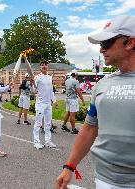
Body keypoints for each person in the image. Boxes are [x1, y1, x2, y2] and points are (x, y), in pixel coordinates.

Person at [56, 15, 135, 189]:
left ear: (130, 43)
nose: (101, 49)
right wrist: (69, 166)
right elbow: (90, 127)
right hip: (105, 179)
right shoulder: (102, 84)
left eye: (106, 43)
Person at [33, 61, 57, 149]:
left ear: (48, 66)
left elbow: (51, 91)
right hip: (40, 104)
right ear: (40, 67)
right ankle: (36, 142)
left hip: (48, 104)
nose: (44, 66)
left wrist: (54, 101)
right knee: (38, 123)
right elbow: (34, 90)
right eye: (42, 65)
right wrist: (33, 84)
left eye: (45, 65)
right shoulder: (37, 77)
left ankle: (48, 141)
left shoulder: (49, 77)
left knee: (47, 124)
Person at [61, 70, 85, 134]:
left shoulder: (67, 81)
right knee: (72, 114)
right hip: (73, 99)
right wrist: (82, 100)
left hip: (67, 98)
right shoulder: (76, 81)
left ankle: (64, 125)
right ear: (76, 75)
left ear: (71, 74)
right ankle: (73, 129)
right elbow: (78, 91)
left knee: (68, 112)